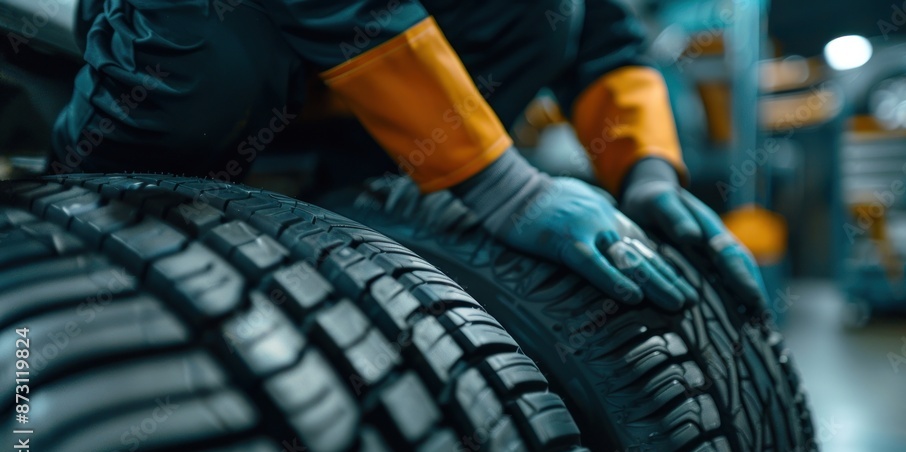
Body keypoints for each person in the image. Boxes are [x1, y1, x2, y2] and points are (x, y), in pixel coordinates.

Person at [50, 0, 765, 312]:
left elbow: (605, 36)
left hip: (333, 106)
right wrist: (504, 187)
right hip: (202, 48)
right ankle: (101, 203)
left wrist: (646, 175)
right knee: (216, 42)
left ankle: (358, 208)